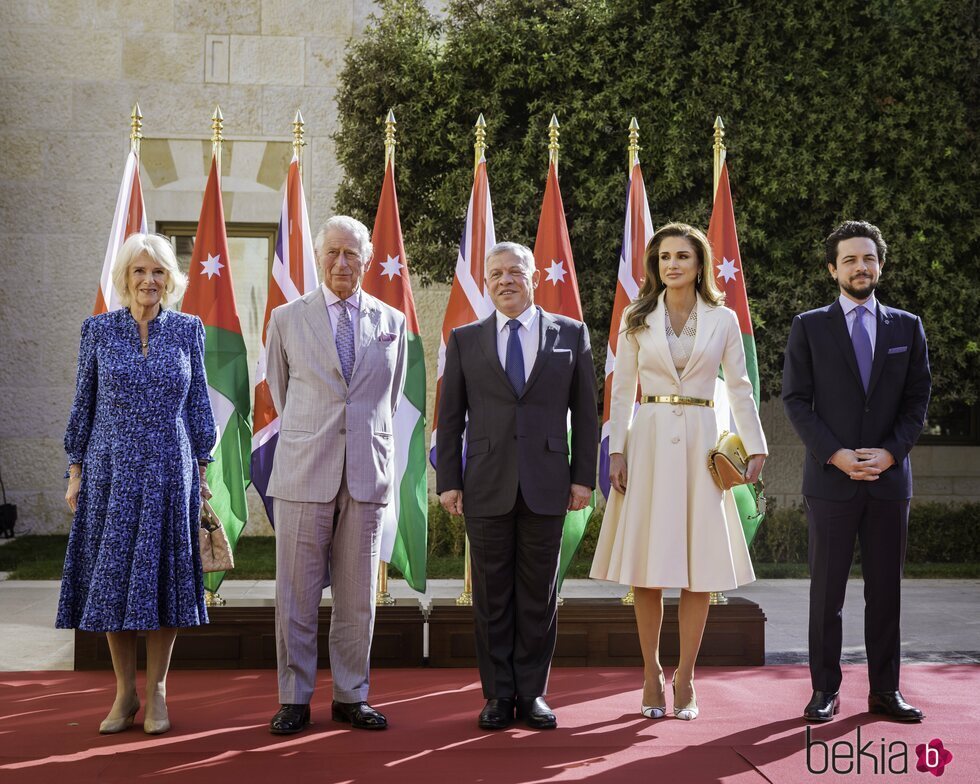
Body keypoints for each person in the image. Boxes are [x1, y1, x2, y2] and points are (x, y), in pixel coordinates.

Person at [590, 223, 766, 721]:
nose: (672, 264)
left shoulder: (724, 319)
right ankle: (650, 672)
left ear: (699, 264)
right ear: (655, 265)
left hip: (702, 445)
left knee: (698, 571)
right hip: (646, 443)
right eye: (664, 256)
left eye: (682, 256)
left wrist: (755, 446)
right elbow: (622, 391)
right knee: (646, 571)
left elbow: (740, 388)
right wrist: (616, 452)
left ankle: (686, 676)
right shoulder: (635, 316)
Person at [437, 241, 599, 731]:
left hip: (549, 485)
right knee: (491, 598)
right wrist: (449, 481)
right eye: (495, 275)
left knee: (538, 595)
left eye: (513, 272)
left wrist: (582, 479)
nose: (504, 281)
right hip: (485, 484)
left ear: (533, 277)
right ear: (486, 284)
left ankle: (531, 694)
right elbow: (451, 419)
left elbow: (586, 415)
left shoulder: (570, 334)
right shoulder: (465, 339)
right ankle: (496, 695)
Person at [58, 233, 216, 735]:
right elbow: (83, 404)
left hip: (171, 470)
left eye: (159, 272)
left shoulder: (189, 329)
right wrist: (75, 472)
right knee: (111, 582)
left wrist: (204, 471)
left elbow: (198, 408)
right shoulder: (98, 331)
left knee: (165, 581)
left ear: (171, 279)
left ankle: (159, 693)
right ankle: (124, 693)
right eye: (140, 272)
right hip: (109, 472)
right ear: (125, 278)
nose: (149, 281)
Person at [782, 220, 930, 723]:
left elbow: (917, 402)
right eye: (849, 259)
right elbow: (796, 401)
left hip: (890, 481)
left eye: (868, 258)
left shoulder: (907, 327)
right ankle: (825, 690)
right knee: (827, 593)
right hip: (830, 481)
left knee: (885, 592)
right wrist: (836, 454)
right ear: (832, 269)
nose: (859, 267)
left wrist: (890, 454)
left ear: (880, 265)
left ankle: (886, 691)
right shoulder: (809, 325)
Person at [264, 215, 407, 734]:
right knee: (296, 596)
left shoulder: (392, 321)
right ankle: (294, 697)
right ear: (319, 257)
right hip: (305, 471)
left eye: (352, 254)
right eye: (333, 253)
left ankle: (351, 694)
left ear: (367, 261)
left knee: (357, 597)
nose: (342, 263)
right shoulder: (285, 318)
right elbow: (282, 395)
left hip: (367, 474)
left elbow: (387, 401)